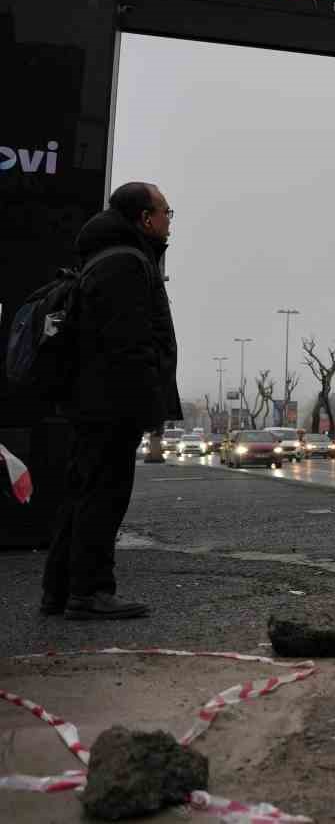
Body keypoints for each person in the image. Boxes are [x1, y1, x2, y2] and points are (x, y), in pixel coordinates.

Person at [41, 182, 180, 620]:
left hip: (96, 401)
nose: (169, 221)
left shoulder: (107, 257)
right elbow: (128, 344)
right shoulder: (125, 262)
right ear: (145, 218)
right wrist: (146, 404)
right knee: (104, 496)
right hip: (112, 404)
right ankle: (91, 591)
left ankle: (60, 590)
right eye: (166, 212)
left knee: (83, 493)